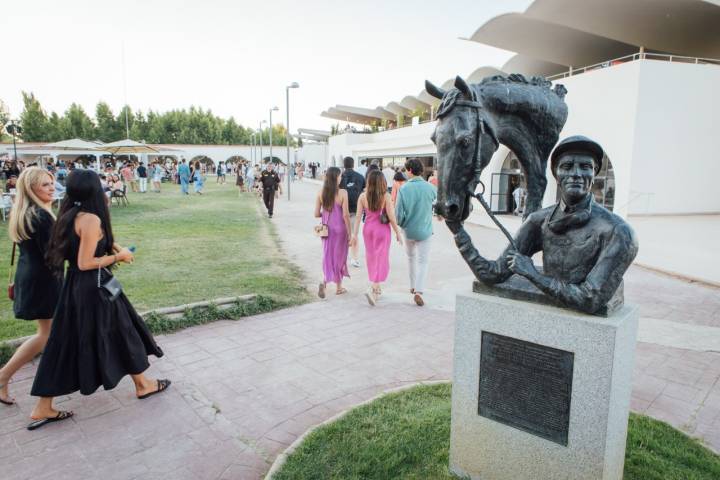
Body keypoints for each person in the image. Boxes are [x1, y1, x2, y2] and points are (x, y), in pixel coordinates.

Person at [27, 169, 169, 430]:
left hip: (75, 288)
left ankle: (43, 405)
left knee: (65, 342)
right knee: (123, 332)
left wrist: (113, 246)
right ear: (93, 189)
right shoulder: (91, 219)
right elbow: (85, 262)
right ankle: (143, 385)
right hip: (95, 287)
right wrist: (120, 257)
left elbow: (85, 248)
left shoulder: (67, 214)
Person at [457, 136, 638, 314]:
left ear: (595, 173)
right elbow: (494, 273)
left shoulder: (618, 232)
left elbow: (589, 299)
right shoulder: (538, 220)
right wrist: (458, 231)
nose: (576, 173)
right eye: (567, 166)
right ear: (556, 174)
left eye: (585, 167)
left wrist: (534, 275)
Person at [0, 168, 63, 406]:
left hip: (33, 278)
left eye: (52, 183)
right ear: (31, 189)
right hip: (44, 281)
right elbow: (53, 254)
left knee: (49, 334)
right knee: (46, 335)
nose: (51, 188)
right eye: (45, 185)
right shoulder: (41, 216)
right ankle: (3, 376)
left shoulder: (26, 212)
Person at [351, 170, 402, 306]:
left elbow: (357, 217)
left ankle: (377, 288)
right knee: (381, 258)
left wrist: (354, 234)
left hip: (367, 230)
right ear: (382, 182)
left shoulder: (362, 196)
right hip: (382, 230)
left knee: (372, 257)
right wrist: (398, 233)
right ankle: (373, 287)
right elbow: (391, 217)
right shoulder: (386, 196)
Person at [395, 158, 437, 307]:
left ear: (410, 171)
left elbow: (398, 215)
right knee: (423, 261)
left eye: (406, 170)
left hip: (408, 231)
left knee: (410, 258)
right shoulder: (430, 187)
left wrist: (402, 224)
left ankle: (412, 286)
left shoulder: (404, 189)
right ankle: (419, 291)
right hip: (425, 230)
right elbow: (438, 205)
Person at [315, 166, 351, 298]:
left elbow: (315, 214)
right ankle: (339, 287)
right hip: (340, 230)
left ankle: (324, 282)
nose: (341, 178)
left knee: (327, 255)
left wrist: (325, 213)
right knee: (340, 257)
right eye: (340, 175)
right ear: (336, 177)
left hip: (326, 230)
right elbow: (346, 215)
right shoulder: (343, 193)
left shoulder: (321, 192)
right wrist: (350, 233)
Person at [339, 156, 365, 268]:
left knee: (341, 236)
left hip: (340, 211)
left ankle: (341, 258)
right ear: (353, 164)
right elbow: (364, 191)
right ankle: (354, 259)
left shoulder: (339, 177)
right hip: (355, 210)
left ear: (344, 165)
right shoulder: (360, 177)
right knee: (354, 235)